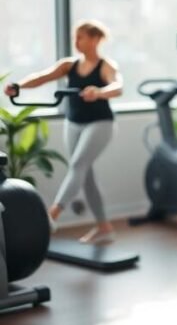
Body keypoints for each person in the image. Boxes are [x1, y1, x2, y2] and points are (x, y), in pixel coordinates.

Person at [3, 20, 123, 244]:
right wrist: (18, 86)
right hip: (74, 122)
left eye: (81, 37)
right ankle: (105, 227)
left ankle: (52, 216)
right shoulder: (69, 65)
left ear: (95, 39)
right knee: (85, 175)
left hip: (100, 123)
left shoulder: (106, 65)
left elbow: (118, 87)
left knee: (78, 164)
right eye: (74, 37)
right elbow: (42, 77)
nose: (76, 42)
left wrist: (99, 92)